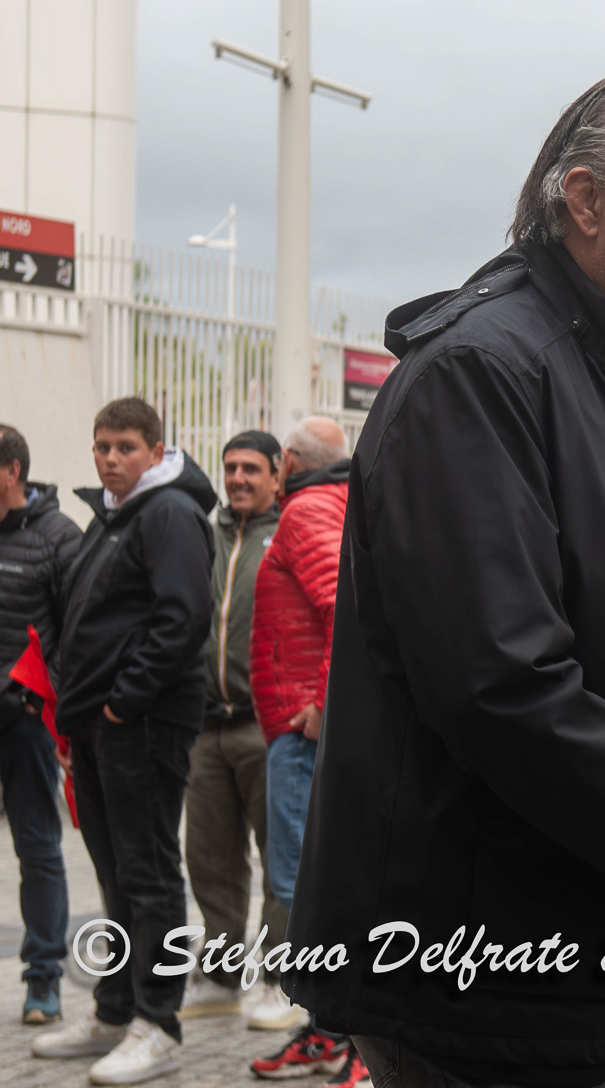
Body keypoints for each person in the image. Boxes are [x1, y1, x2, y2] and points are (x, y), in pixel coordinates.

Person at [282, 72, 605, 1088]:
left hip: (598, 956)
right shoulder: (479, 372)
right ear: (585, 201)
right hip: (491, 988)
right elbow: (503, 685)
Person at [32, 396, 217, 1085]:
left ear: (154, 449)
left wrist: (121, 705)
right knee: (114, 876)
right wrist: (77, 721)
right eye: (101, 446)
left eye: (125, 447)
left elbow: (182, 620)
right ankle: (114, 1009)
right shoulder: (110, 519)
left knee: (150, 877)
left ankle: (158, 1023)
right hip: (97, 728)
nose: (110, 459)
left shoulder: (169, 513)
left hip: (140, 724)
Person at [245, 418, 356, 1082]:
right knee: (320, 891)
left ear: (286, 462)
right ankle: (328, 1031)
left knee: (305, 892)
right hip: (305, 729)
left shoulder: (304, 510)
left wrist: (319, 708)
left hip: (301, 732)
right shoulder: (336, 503)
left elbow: (341, 605)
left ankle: (352, 1039)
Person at [181, 430, 293, 1030]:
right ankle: (221, 976)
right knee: (209, 859)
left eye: (251, 468)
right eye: (230, 468)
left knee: (280, 859)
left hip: (268, 727)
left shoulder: (291, 529)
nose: (238, 479)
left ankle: (279, 980)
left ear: (278, 475)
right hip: (205, 726)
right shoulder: (205, 534)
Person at [0, 423, 80, 1026]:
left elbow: (78, 631)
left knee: (38, 849)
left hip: (25, 724)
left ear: (12, 472)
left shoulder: (58, 537)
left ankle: (44, 978)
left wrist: (38, 698)